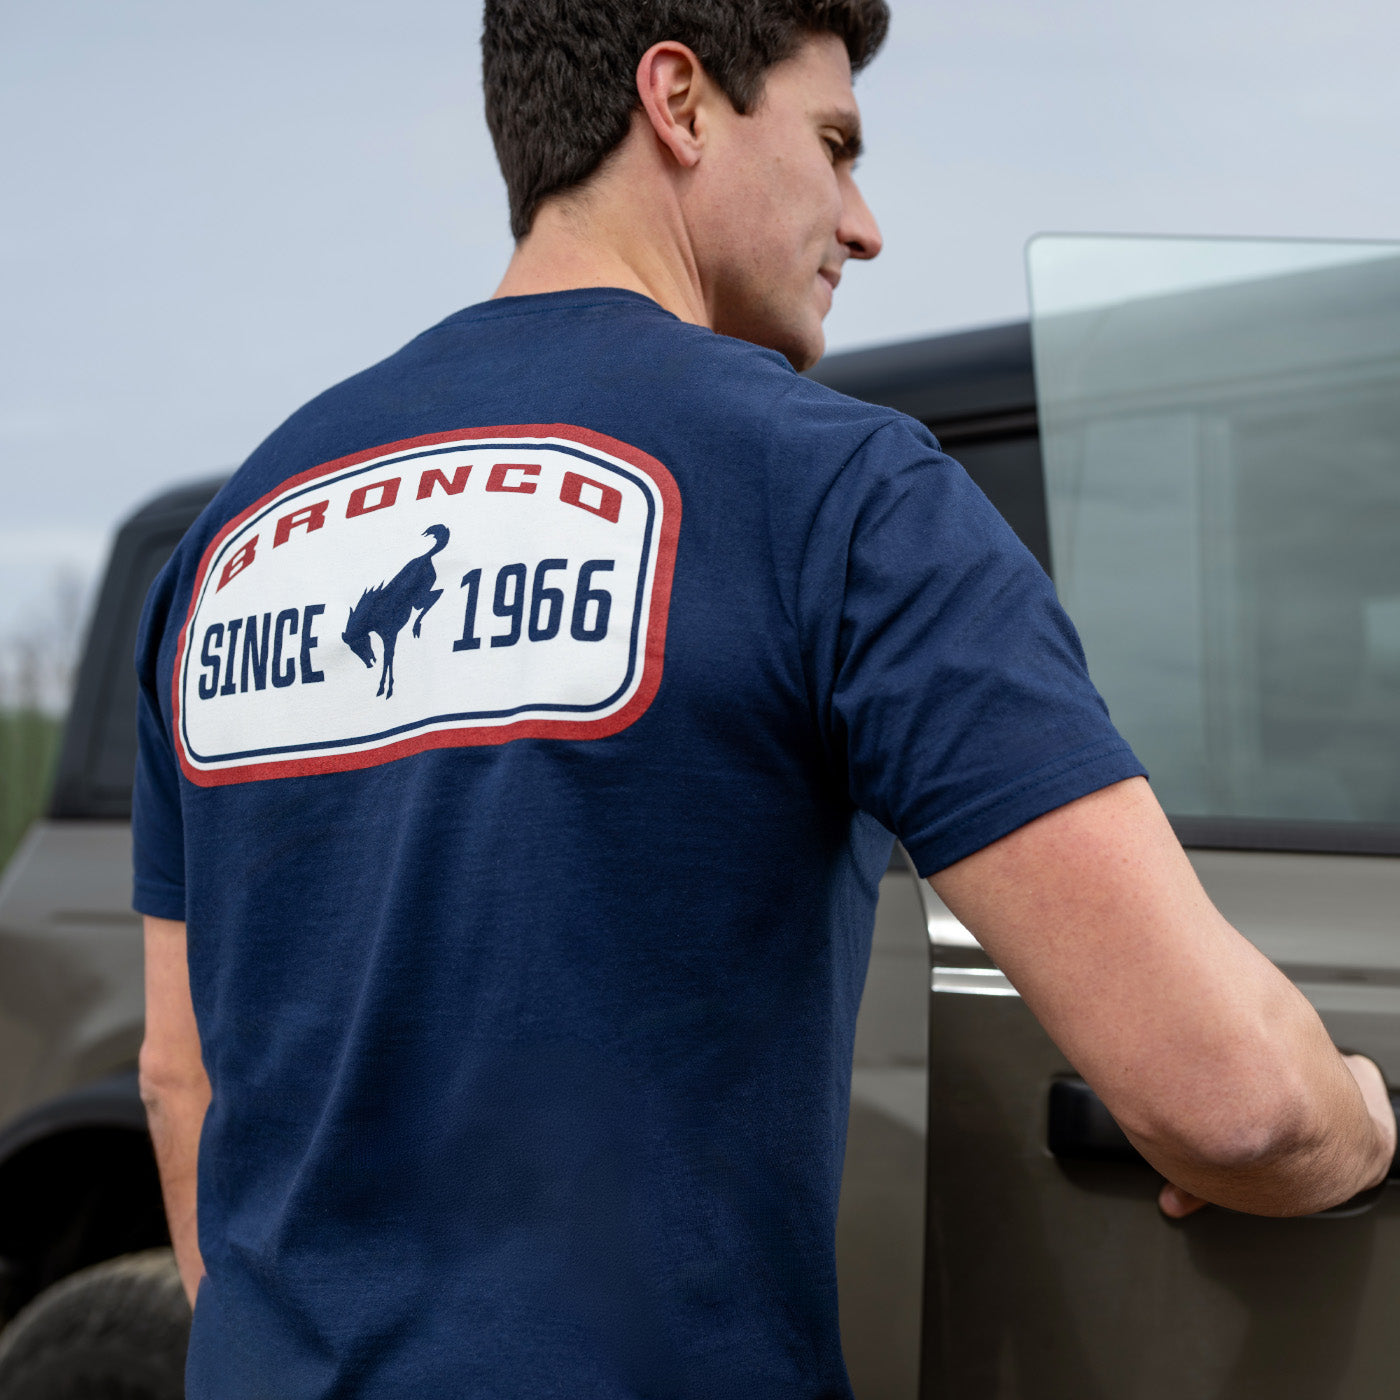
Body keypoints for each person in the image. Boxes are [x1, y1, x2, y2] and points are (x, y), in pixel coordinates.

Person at [134, 2, 1396, 1396]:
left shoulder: (231, 540)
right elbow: (1232, 1102)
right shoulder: (839, 496)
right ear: (676, 102)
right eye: (836, 145)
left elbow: (179, 1084)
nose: (864, 225)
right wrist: (1358, 1122)